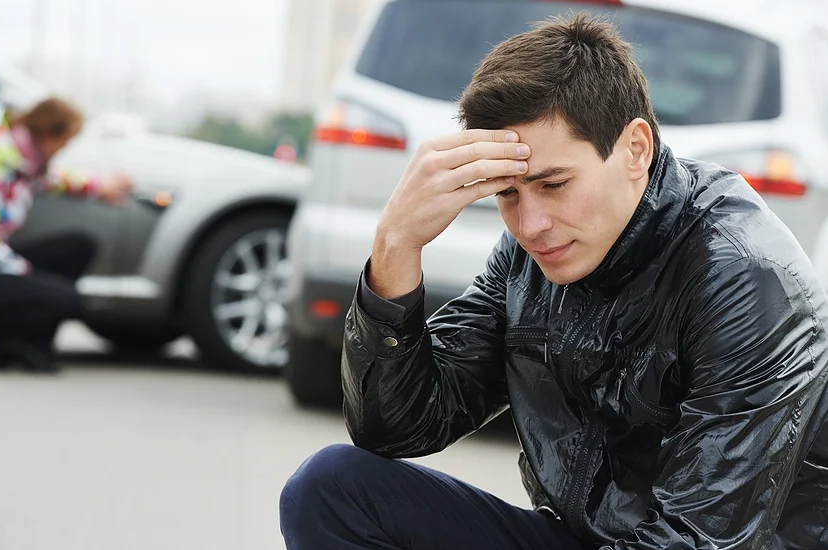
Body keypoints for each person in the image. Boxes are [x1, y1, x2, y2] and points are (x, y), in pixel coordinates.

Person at [279, 13, 828, 550]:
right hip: (587, 537)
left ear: (635, 149)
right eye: (508, 193)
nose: (531, 225)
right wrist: (396, 247)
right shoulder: (532, 253)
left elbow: (701, 537)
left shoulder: (743, 277)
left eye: (555, 183)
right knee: (332, 490)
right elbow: (399, 427)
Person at [0, 97, 133, 373]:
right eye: (65, 141)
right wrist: (26, 273)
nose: (64, 149)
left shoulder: (21, 160)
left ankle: (27, 346)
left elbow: (56, 179)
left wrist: (100, 186)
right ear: (48, 133)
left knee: (79, 246)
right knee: (65, 298)